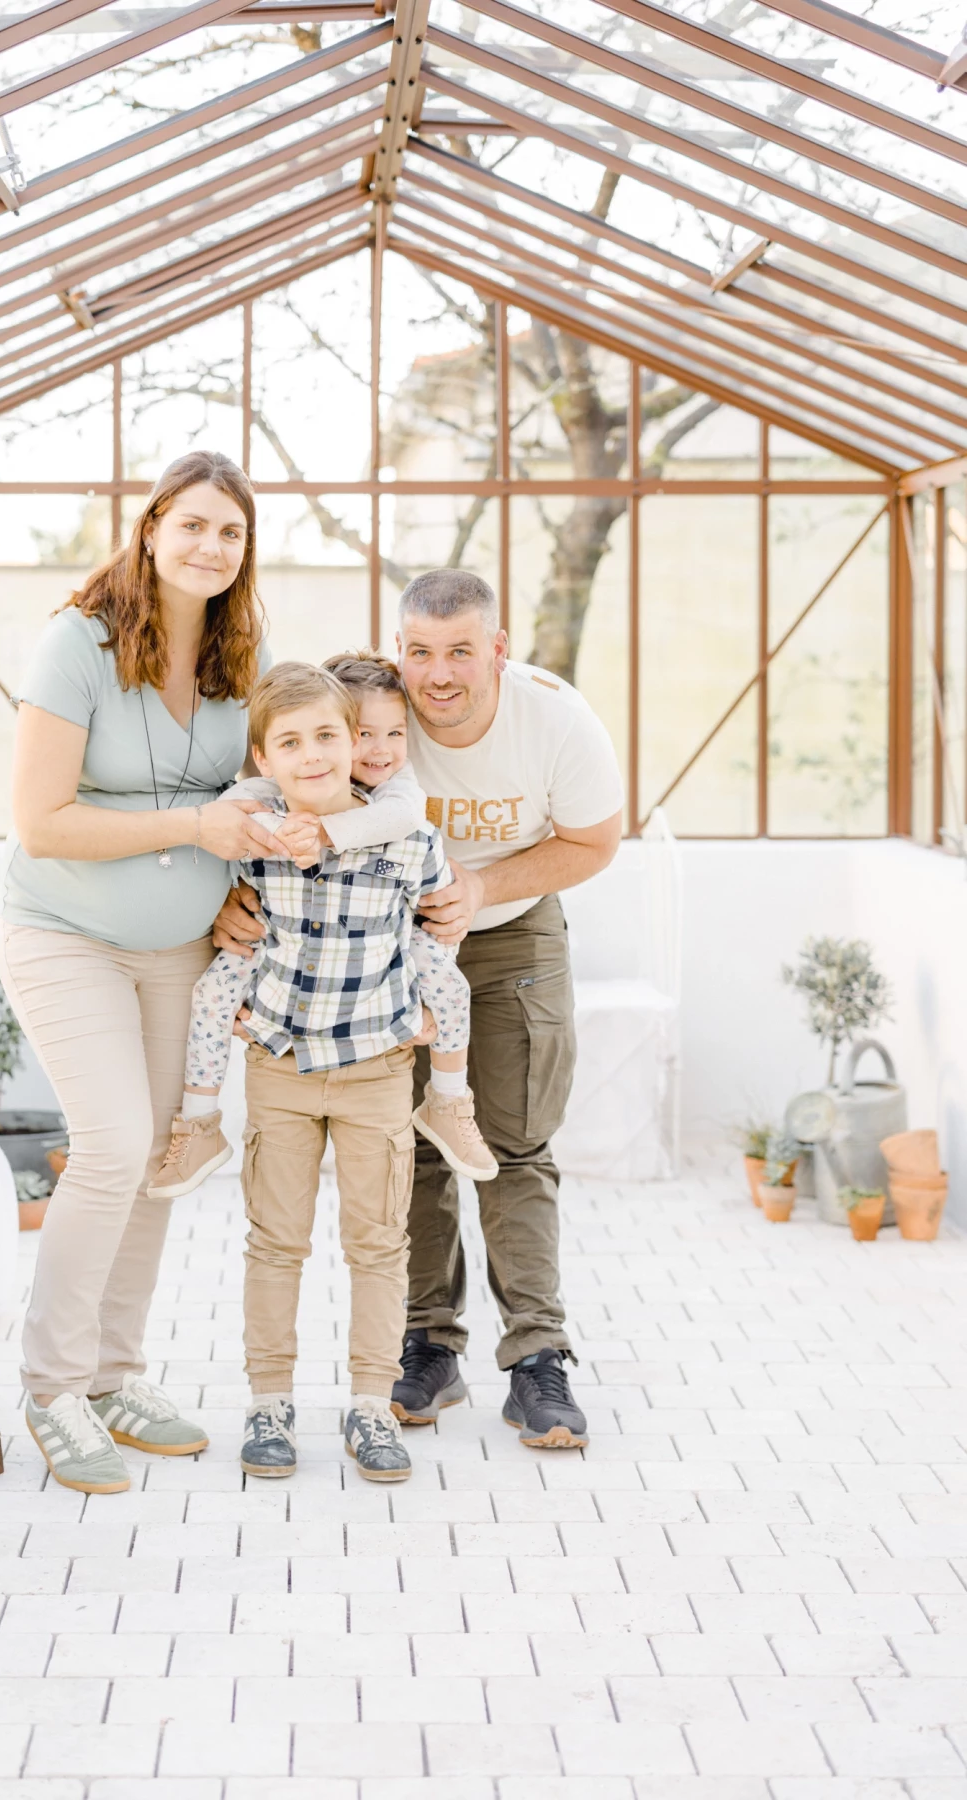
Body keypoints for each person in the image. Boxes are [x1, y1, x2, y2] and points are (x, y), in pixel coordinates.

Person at [213, 569, 622, 1450]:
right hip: (380, 952)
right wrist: (226, 902)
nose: (440, 674)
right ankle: (427, 1343)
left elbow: (595, 841)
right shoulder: (365, 711)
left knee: (511, 1142)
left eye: (462, 652)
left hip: (510, 930)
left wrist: (480, 886)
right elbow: (272, 775)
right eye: (422, 651)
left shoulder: (555, 720)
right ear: (398, 650)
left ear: (498, 652)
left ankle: (538, 1359)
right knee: (407, 1150)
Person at [0, 449, 279, 1496]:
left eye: (232, 532)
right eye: (194, 524)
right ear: (152, 528)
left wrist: (240, 887)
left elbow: (260, 795)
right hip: (65, 934)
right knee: (113, 1144)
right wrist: (196, 825)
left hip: (184, 951)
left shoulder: (239, 653)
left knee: (161, 1156)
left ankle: (115, 1376)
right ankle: (51, 1387)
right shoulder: (78, 642)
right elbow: (42, 821)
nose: (211, 546)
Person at [148, 650, 496, 1201]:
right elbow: (238, 805)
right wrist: (268, 833)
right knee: (211, 994)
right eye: (365, 732)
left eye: (395, 734)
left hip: (385, 975)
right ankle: (198, 1123)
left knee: (452, 987)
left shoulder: (400, 799)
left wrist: (417, 996)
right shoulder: (287, 781)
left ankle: (451, 1101)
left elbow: (412, 852)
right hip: (278, 960)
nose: (379, 751)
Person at [224, 661, 454, 1483]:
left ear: (352, 743)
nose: (315, 754)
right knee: (276, 1241)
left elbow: (436, 927)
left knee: (377, 1242)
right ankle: (269, 1402)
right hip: (280, 1067)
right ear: (264, 756)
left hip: (377, 1071)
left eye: (329, 735)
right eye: (292, 741)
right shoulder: (254, 839)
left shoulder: (409, 836)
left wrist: (429, 1013)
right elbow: (227, 927)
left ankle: (368, 1405)